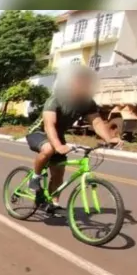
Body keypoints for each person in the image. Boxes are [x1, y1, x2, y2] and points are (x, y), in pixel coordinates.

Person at [25, 65, 120, 214]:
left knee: (58, 174)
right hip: (39, 132)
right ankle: (35, 178)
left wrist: (110, 138)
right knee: (49, 148)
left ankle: (53, 203)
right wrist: (58, 146)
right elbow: (50, 125)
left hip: (58, 136)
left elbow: (96, 122)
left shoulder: (87, 103)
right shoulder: (56, 99)